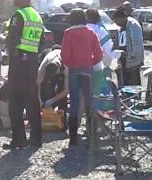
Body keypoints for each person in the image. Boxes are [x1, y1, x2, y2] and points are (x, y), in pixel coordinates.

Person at [3, 0, 44, 149]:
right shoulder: (37, 16)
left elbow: (13, 38)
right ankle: (36, 139)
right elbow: (42, 41)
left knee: (15, 102)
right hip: (32, 61)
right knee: (32, 101)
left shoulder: (19, 15)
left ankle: (18, 140)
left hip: (19, 61)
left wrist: (9, 51)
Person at [61, 9, 103, 146]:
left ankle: (73, 138)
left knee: (74, 102)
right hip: (88, 70)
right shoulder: (91, 33)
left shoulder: (68, 34)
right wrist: (89, 62)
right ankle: (91, 134)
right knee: (89, 102)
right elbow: (99, 55)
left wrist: (71, 63)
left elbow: (64, 56)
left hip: (74, 71)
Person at [86, 9, 121, 110]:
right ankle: (101, 110)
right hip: (100, 65)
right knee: (102, 88)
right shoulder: (100, 30)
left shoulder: (82, 30)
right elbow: (109, 49)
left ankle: (89, 109)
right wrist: (118, 55)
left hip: (83, 66)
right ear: (98, 18)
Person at [37, 45, 69, 129]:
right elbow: (37, 83)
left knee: (61, 90)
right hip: (48, 58)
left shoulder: (66, 65)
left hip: (62, 66)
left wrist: (52, 100)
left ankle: (62, 119)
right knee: (46, 87)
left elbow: (66, 90)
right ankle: (44, 116)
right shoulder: (44, 64)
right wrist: (39, 99)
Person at [113, 7, 144, 86]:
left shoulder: (133, 25)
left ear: (121, 18)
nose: (116, 23)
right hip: (124, 61)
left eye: (116, 20)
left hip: (132, 61)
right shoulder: (123, 26)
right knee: (126, 84)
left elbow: (137, 45)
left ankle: (135, 98)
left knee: (133, 84)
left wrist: (131, 58)